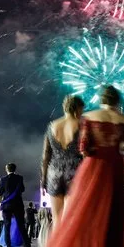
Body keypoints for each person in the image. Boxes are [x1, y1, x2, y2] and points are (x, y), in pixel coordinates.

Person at [29, 85, 124, 247]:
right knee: (110, 218)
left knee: (76, 218)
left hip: (81, 169)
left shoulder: (83, 118)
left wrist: (43, 178)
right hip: (111, 168)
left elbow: (84, 147)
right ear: (117, 101)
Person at [41, 95, 85, 228]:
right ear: (77, 109)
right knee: (70, 218)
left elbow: (45, 155)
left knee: (56, 218)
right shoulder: (82, 126)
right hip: (74, 173)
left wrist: (43, 178)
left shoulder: (52, 126)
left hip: (54, 173)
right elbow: (86, 152)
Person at [0, 163, 34, 247]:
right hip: (17, 204)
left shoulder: (3, 179)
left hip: (6, 205)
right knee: (22, 227)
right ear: (15, 169)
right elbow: (22, 189)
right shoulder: (19, 178)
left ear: (6, 169)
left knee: (7, 226)